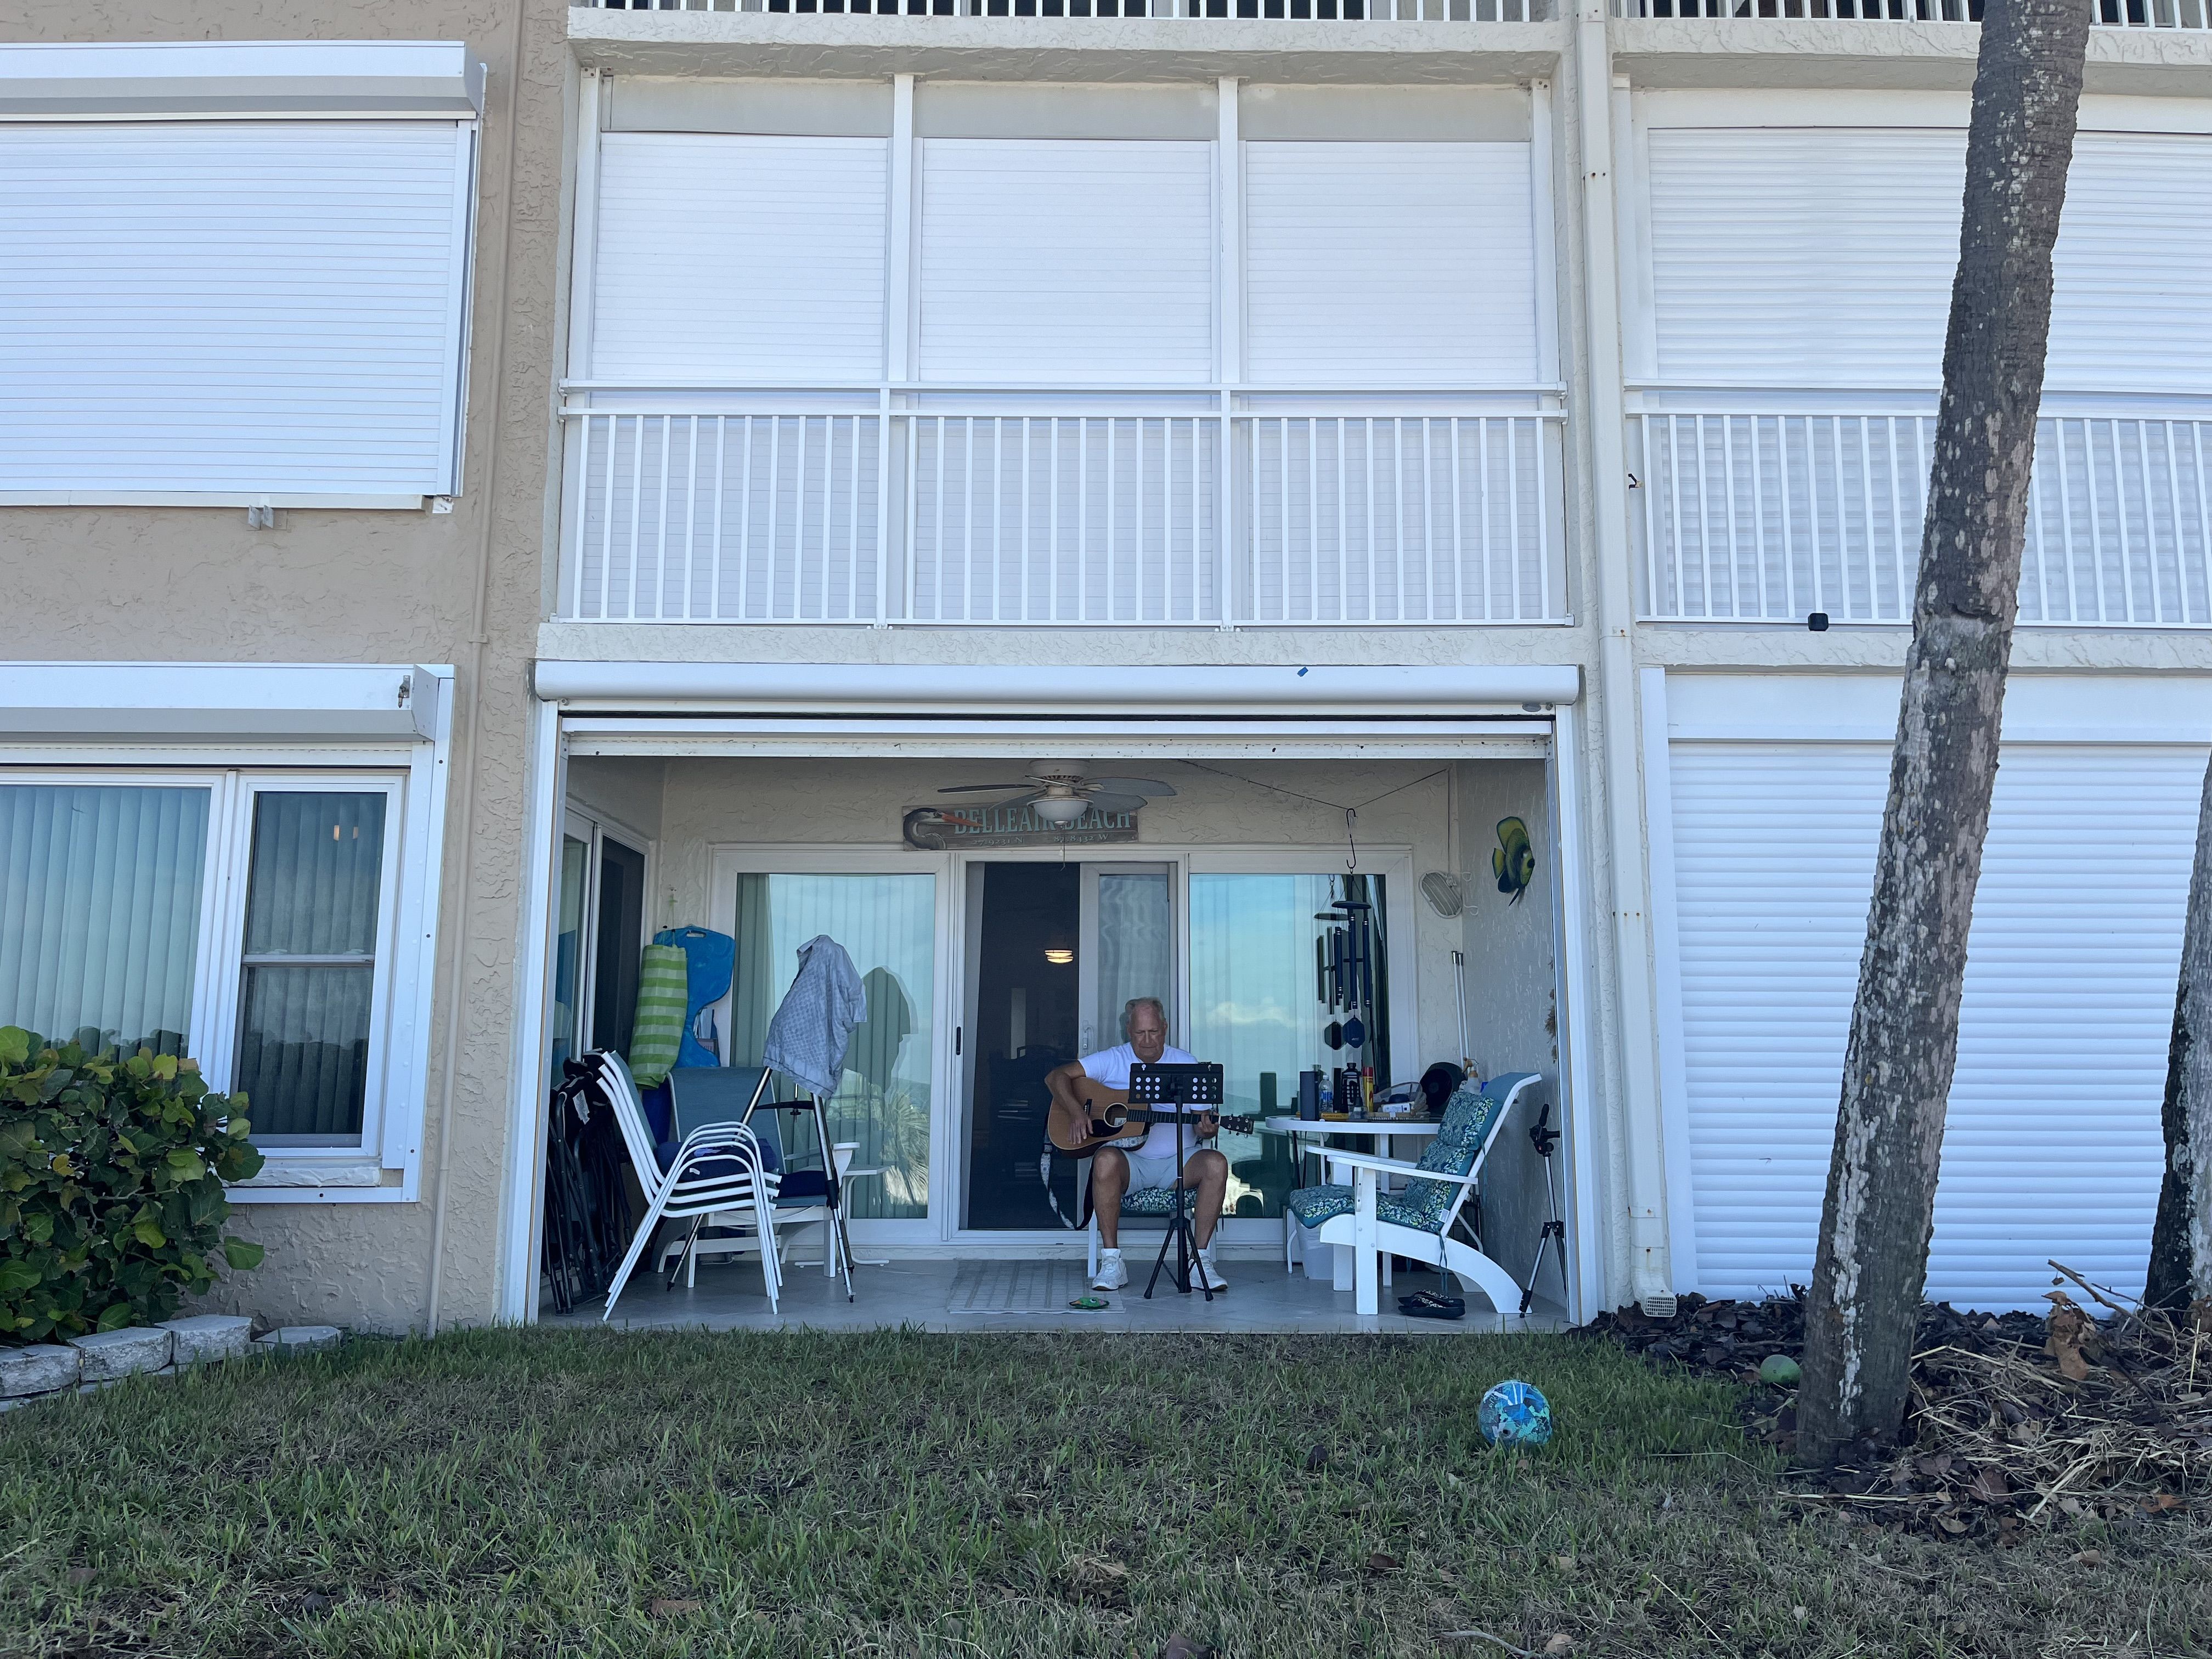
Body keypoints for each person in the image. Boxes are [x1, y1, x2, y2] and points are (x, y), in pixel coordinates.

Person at [1046, 996, 1229, 1295]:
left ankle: (1200, 1262)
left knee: (1216, 1163)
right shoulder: (1112, 1060)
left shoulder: (1185, 1063)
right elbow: (1056, 1077)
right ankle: (1112, 1263)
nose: (1147, 1041)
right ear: (1128, 1031)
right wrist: (1078, 1112)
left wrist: (1206, 1128)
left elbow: (1202, 1126)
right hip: (1132, 1166)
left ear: (1165, 1028)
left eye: (1154, 1032)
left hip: (1179, 1162)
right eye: (1140, 1033)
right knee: (1105, 1159)